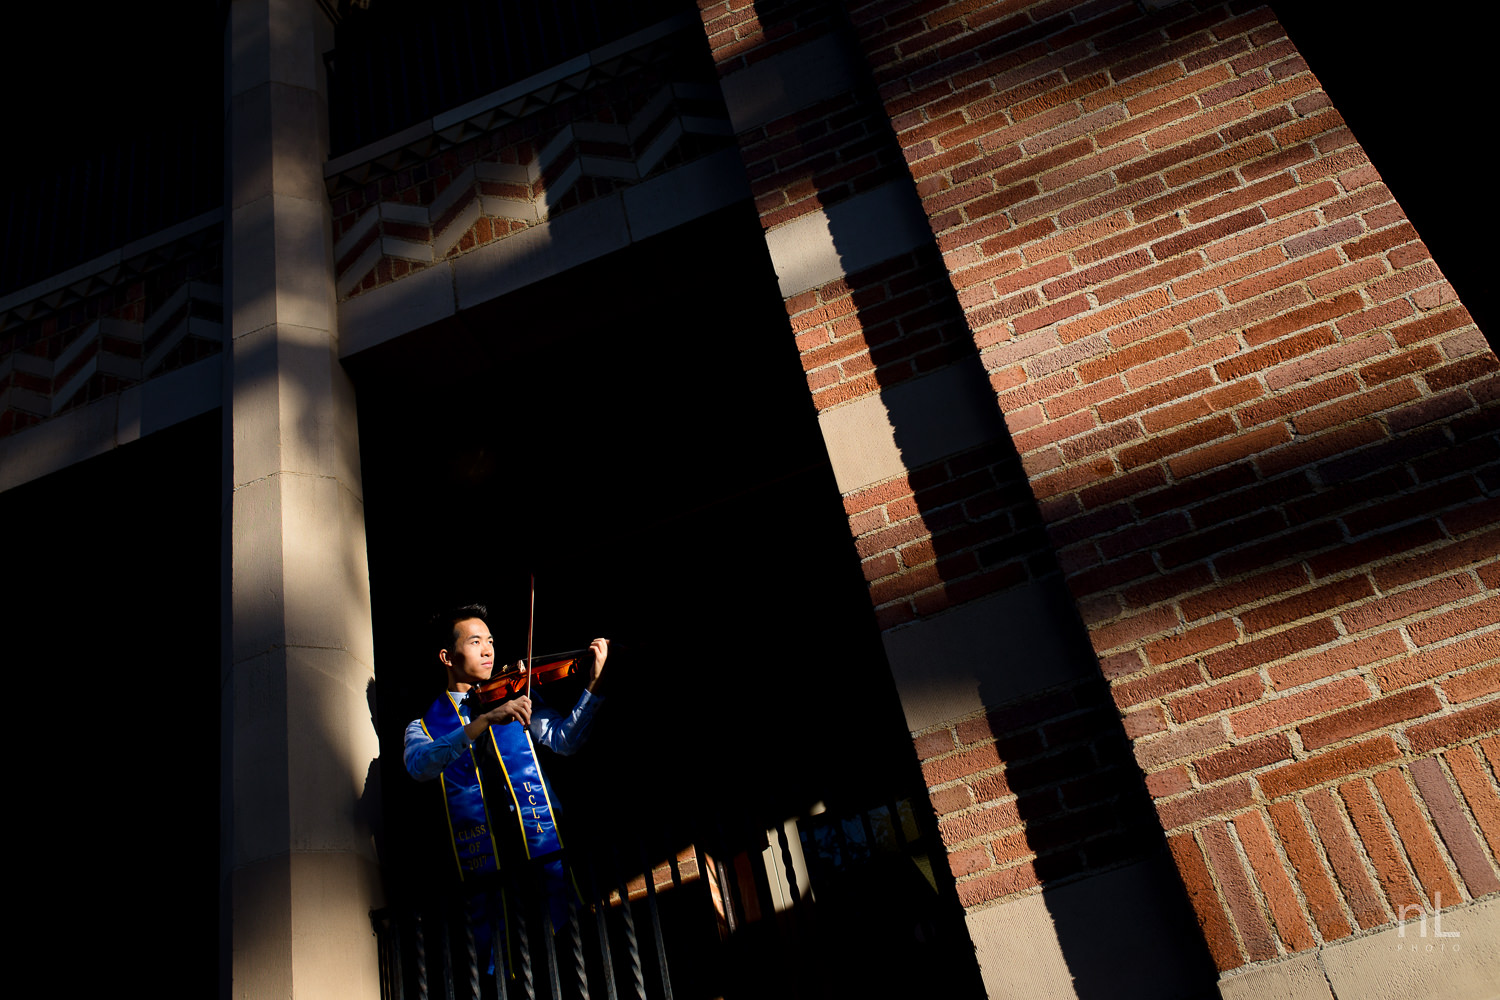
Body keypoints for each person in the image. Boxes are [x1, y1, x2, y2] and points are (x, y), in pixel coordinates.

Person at [405, 603, 608, 890]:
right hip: (476, 870)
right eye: (475, 642)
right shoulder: (422, 727)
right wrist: (485, 720)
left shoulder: (515, 695)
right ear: (446, 657)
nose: (488, 651)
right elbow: (420, 765)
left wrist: (593, 687)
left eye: (490, 642)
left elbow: (564, 741)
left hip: (538, 843)